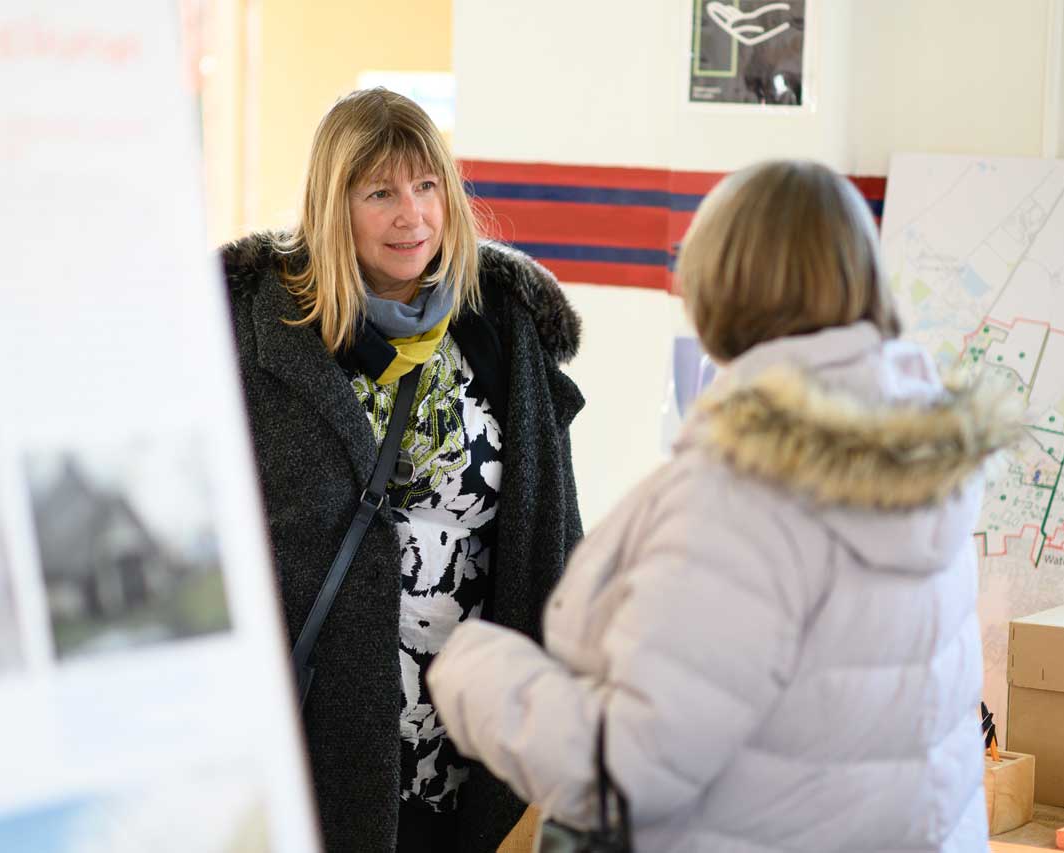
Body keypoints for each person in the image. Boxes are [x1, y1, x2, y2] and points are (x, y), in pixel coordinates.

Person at [428, 159, 1021, 852]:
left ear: (724, 288)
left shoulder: (743, 498)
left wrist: (476, 670)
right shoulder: (925, 465)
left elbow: (624, 771)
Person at [219, 88, 585, 852]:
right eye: (379, 192)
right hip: (322, 735)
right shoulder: (263, 341)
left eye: (426, 187)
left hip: (469, 743)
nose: (410, 215)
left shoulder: (500, 328)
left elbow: (553, 523)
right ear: (332, 205)